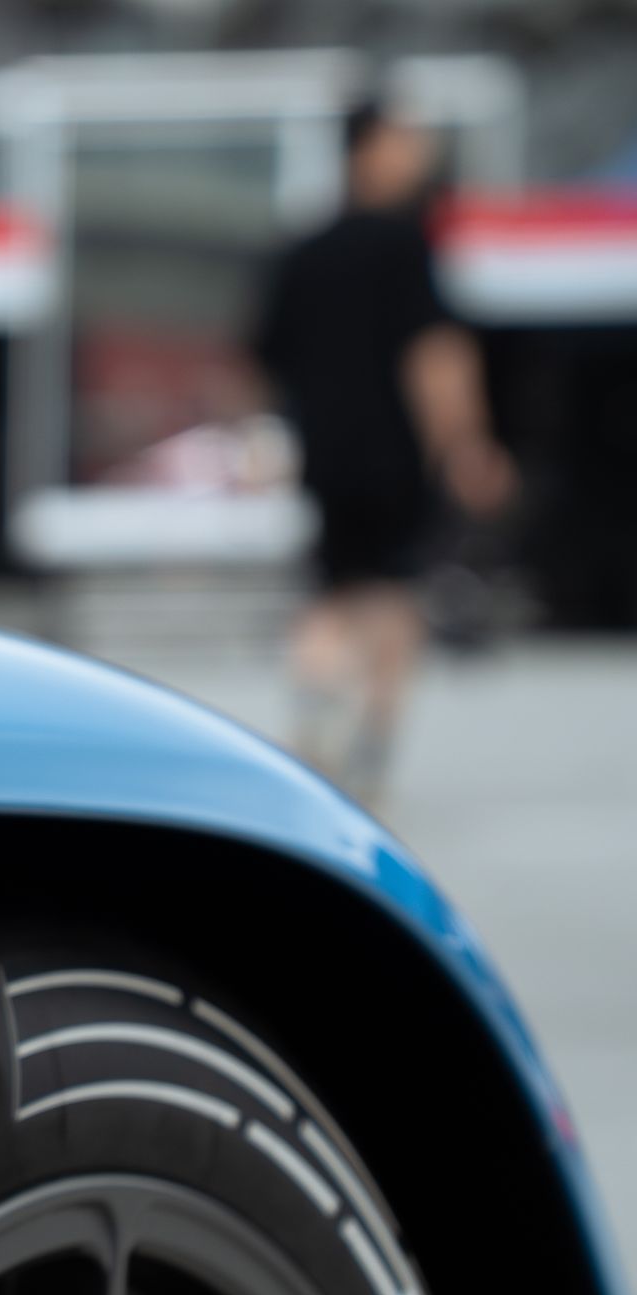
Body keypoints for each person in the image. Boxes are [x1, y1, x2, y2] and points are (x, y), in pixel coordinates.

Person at [252, 96, 514, 809]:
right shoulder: (408, 244)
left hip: (325, 458)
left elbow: (265, 360)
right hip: (396, 458)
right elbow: (436, 357)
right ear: (368, 147)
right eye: (406, 139)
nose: (418, 153)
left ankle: (314, 713)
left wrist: (268, 442)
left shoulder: (302, 251)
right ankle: (370, 747)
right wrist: (467, 445)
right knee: (395, 597)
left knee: (332, 591)